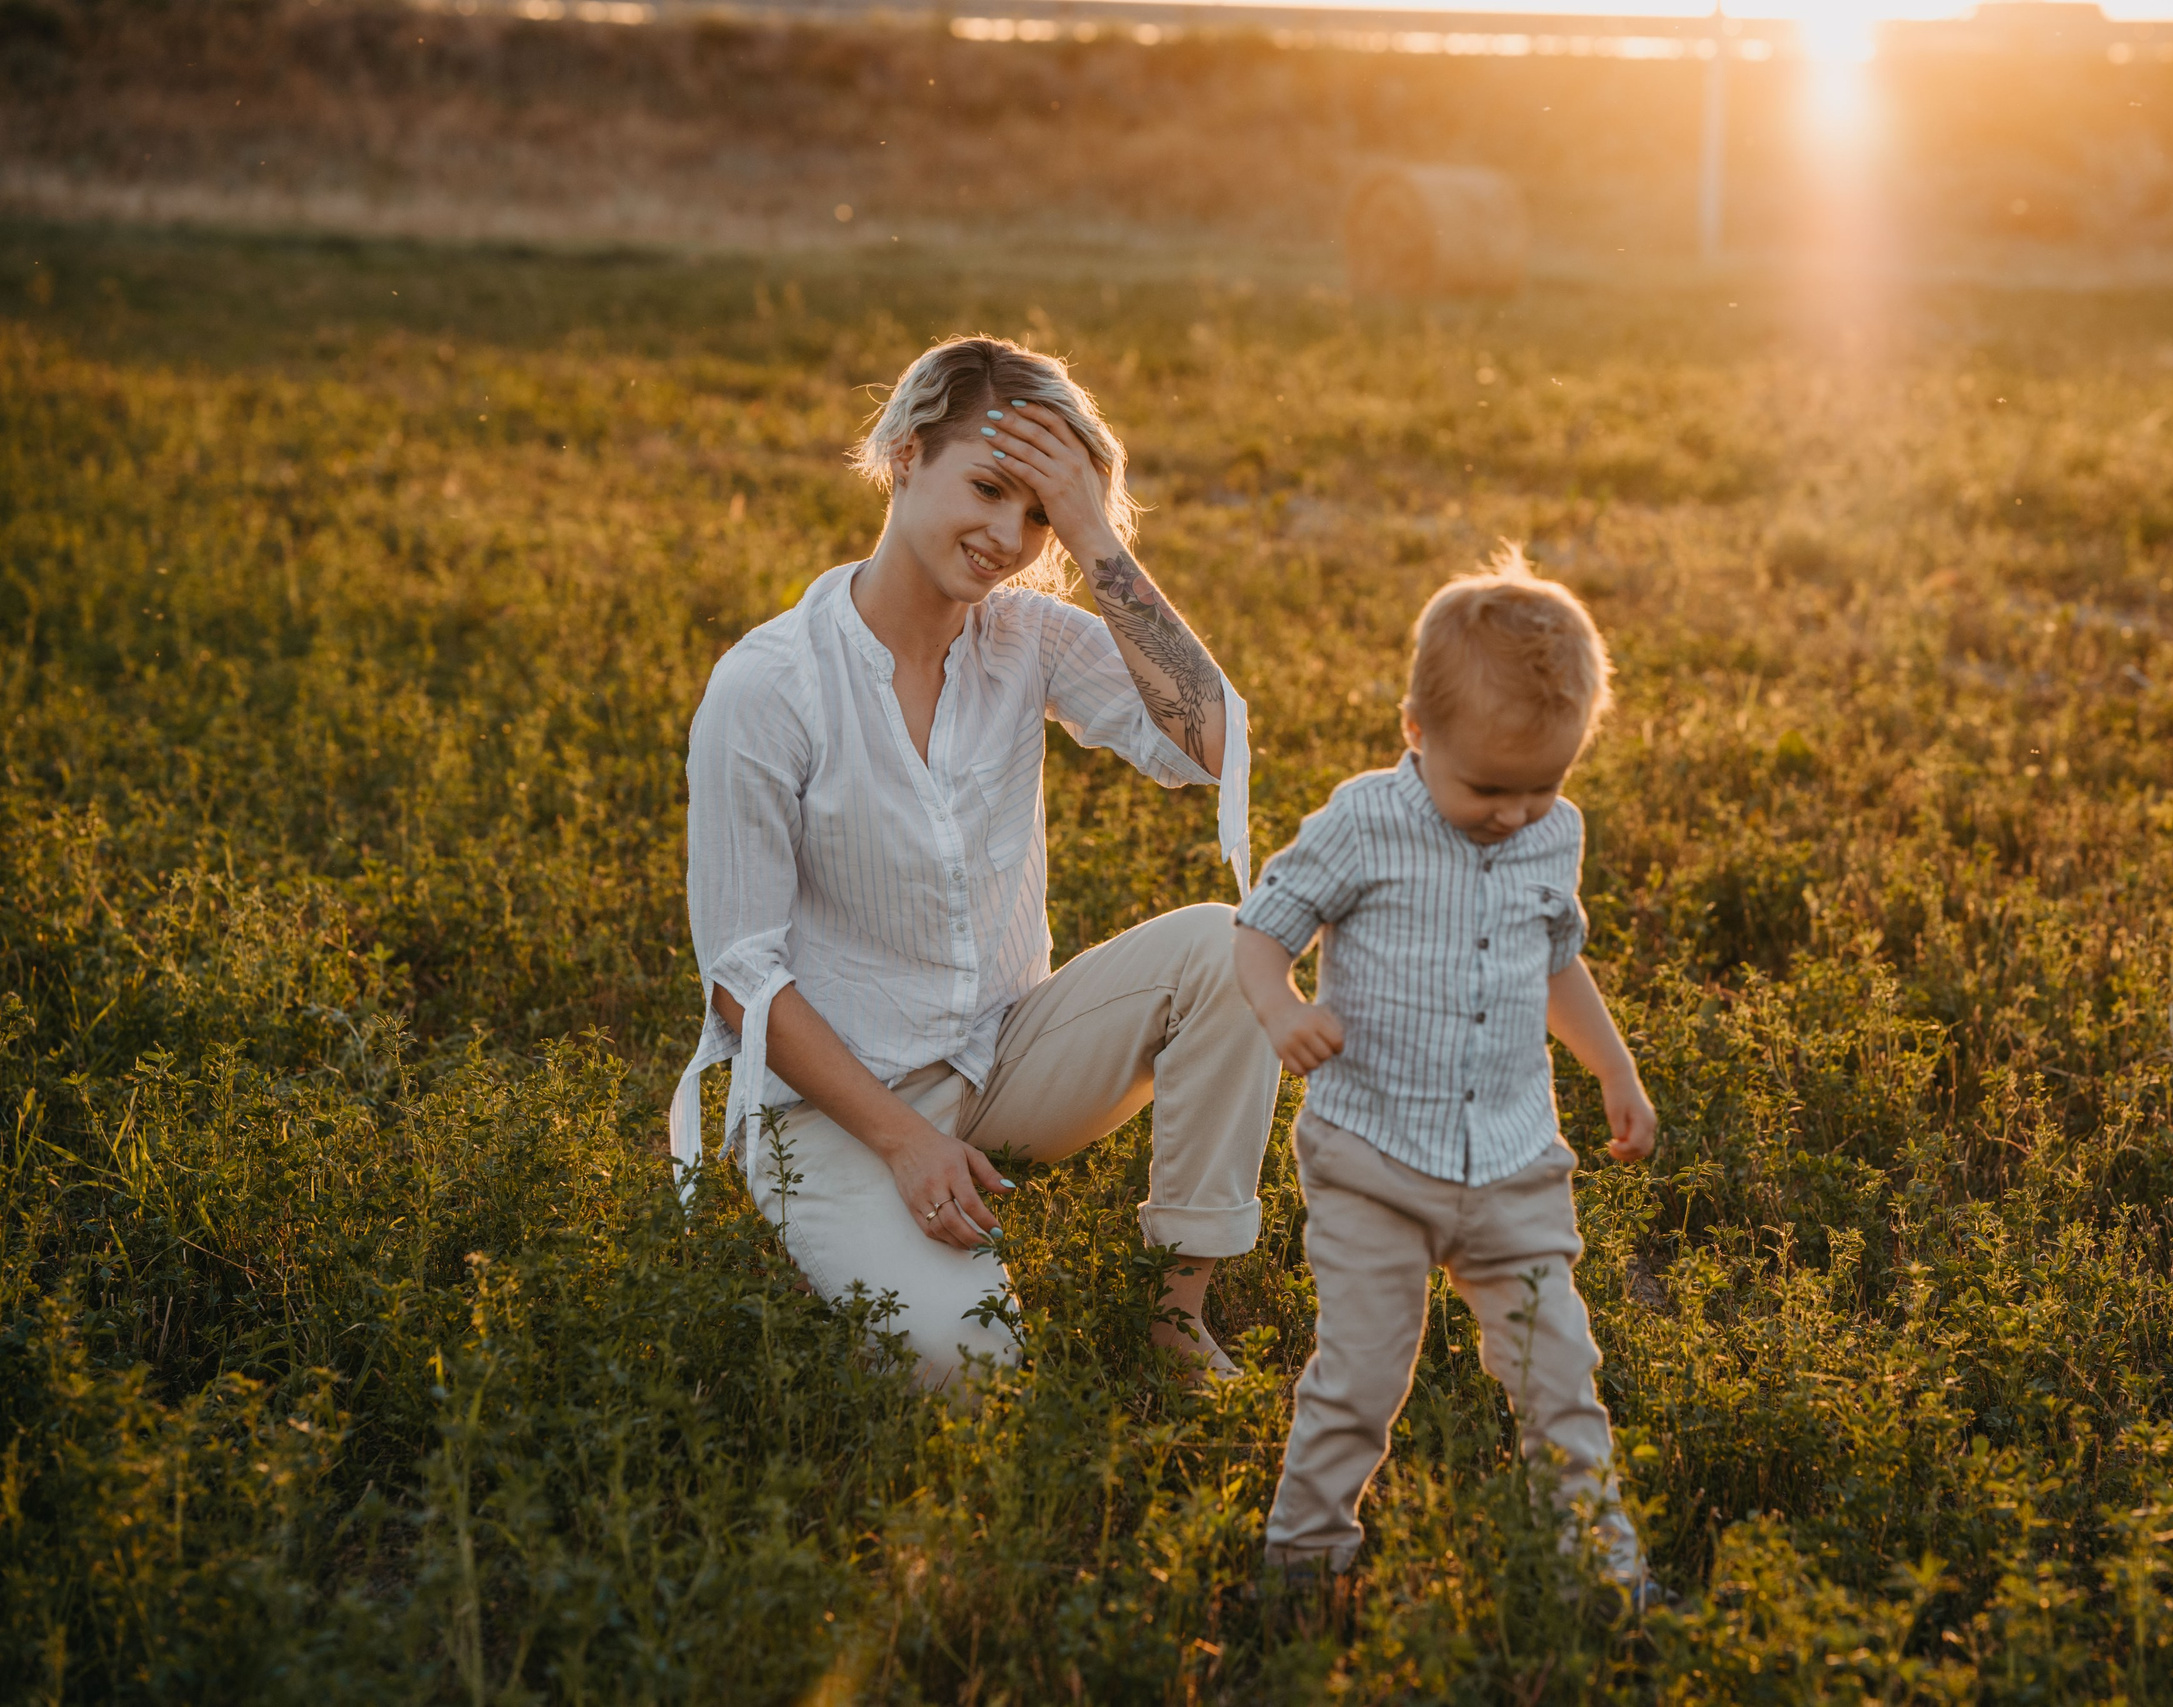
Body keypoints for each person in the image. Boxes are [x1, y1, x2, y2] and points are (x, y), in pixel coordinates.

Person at [670, 335, 1281, 1387]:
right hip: (833, 1106)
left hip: (999, 1058)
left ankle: (1173, 1323)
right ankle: (840, 1218)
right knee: (976, 1373)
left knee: (1228, 951)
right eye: (989, 487)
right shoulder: (770, 683)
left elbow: (1215, 744)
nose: (1009, 536)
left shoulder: (1027, 639)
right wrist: (905, 1141)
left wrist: (1093, 535)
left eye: (1035, 514)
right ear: (906, 455)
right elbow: (739, 978)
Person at [1231, 545, 1661, 1599]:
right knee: (1361, 1380)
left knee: (1560, 1377)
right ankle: (1303, 1564)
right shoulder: (1362, 822)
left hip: (1513, 1162)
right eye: (1487, 788)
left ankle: (1599, 1578)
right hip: (1374, 1156)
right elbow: (1259, 931)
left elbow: (1555, 959)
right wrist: (1283, 1010)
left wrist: (1612, 1066)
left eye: (1541, 785)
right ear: (1414, 733)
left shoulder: (1550, 832)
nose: (1515, 812)